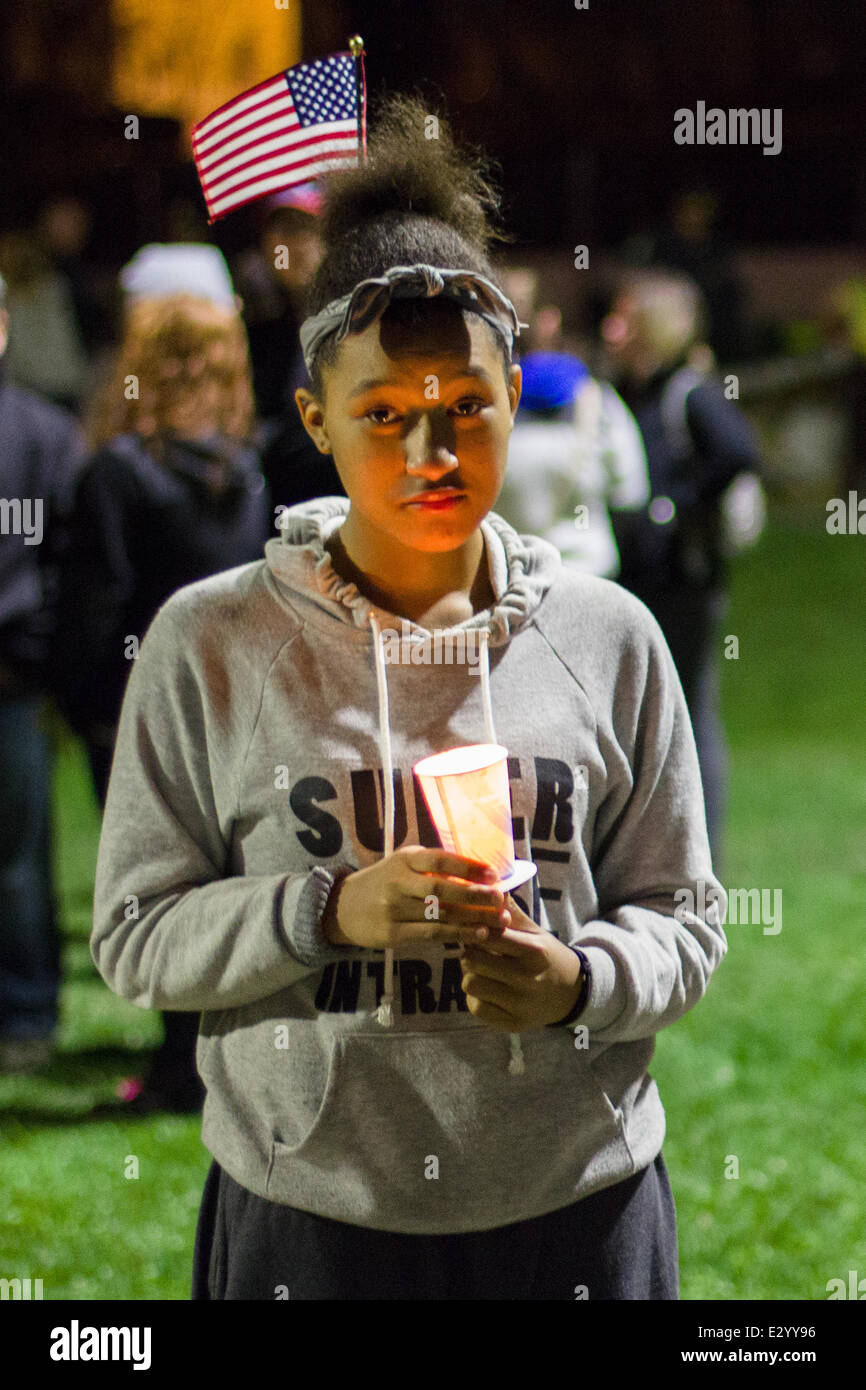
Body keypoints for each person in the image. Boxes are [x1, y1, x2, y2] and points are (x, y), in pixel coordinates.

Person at [91, 94, 727, 1300]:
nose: (429, 454)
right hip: (313, 1214)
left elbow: (684, 919)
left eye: (464, 410)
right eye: (383, 414)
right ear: (313, 418)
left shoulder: (607, 637)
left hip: (573, 1205)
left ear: (509, 399)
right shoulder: (210, 641)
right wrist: (327, 908)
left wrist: (577, 978)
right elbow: (133, 940)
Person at [55, 244, 271, 1113]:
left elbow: (95, 607)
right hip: (243, 713)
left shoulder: (119, 474)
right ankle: (219, 1060)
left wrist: (81, 705)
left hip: (141, 719)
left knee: (162, 895)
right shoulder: (250, 470)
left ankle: (183, 1067)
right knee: (229, 884)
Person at [600, 270, 765, 871]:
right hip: (641, 583)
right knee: (641, 724)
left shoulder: (688, 392)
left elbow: (740, 455)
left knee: (692, 714)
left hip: (685, 585)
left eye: (623, 318)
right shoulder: (624, 391)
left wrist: (673, 508)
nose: (610, 330)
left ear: (650, 327)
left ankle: (703, 861)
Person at [0, 271, 88, 1073]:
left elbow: (67, 559)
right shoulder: (46, 429)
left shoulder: (42, 432)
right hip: (20, 677)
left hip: (15, 683)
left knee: (20, 859)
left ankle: (27, 1013)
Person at [234, 187, 345, 508]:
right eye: (279, 230)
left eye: (304, 229)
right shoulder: (261, 335)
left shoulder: (358, 329)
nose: (289, 244)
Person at [494, 348, 650, 577]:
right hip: (593, 575)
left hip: (519, 577)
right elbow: (631, 494)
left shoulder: (494, 424)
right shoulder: (603, 409)